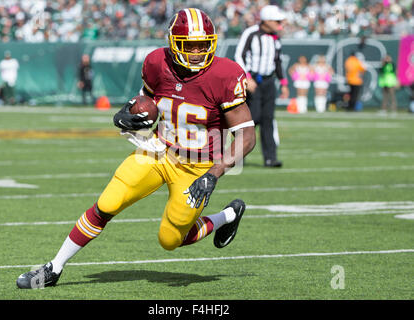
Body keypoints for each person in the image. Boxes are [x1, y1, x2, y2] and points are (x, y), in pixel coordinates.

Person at [16, 8, 256, 289]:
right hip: (157, 150)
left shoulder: (225, 75)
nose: (197, 52)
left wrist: (214, 173)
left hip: (198, 165)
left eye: (203, 44)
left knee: (171, 240)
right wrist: (130, 114)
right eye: (190, 45)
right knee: (107, 204)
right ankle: (53, 268)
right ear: (174, 43)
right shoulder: (156, 62)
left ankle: (227, 215)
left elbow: (247, 136)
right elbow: (147, 101)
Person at [234, 5, 289, 168]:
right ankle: (237, 154)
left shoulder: (275, 37)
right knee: (253, 118)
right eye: (276, 20)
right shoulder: (251, 33)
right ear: (266, 20)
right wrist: (247, 78)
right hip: (253, 81)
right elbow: (239, 55)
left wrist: (283, 83)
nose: (280, 24)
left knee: (268, 120)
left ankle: (270, 158)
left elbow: (277, 61)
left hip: (269, 82)